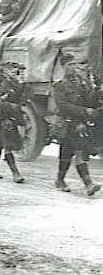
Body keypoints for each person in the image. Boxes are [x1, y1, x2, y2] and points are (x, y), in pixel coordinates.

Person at [52, 54, 102, 196]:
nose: (74, 68)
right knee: (75, 153)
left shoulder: (81, 82)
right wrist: (85, 111)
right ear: (63, 67)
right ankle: (88, 184)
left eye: (75, 65)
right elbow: (63, 106)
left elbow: (87, 99)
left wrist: (96, 91)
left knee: (69, 153)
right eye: (70, 65)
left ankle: (60, 180)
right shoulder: (59, 85)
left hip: (78, 122)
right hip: (67, 123)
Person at [0, 61, 28, 183]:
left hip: (10, 118)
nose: (14, 72)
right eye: (11, 70)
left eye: (15, 70)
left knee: (1, 146)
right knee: (6, 146)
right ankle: (15, 173)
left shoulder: (15, 83)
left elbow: (20, 100)